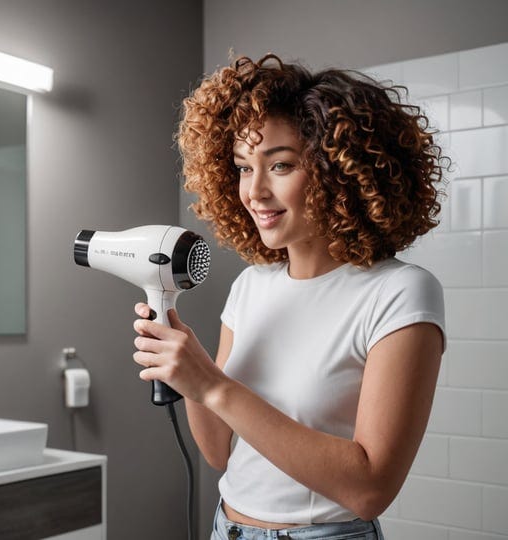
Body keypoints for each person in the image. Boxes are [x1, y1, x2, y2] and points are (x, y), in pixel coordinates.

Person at [132, 53, 447, 540]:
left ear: (338, 171)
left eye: (280, 164)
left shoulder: (399, 292)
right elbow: (220, 452)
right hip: (227, 528)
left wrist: (214, 386)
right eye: (241, 168)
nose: (254, 191)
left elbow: (370, 489)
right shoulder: (251, 285)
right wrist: (191, 370)